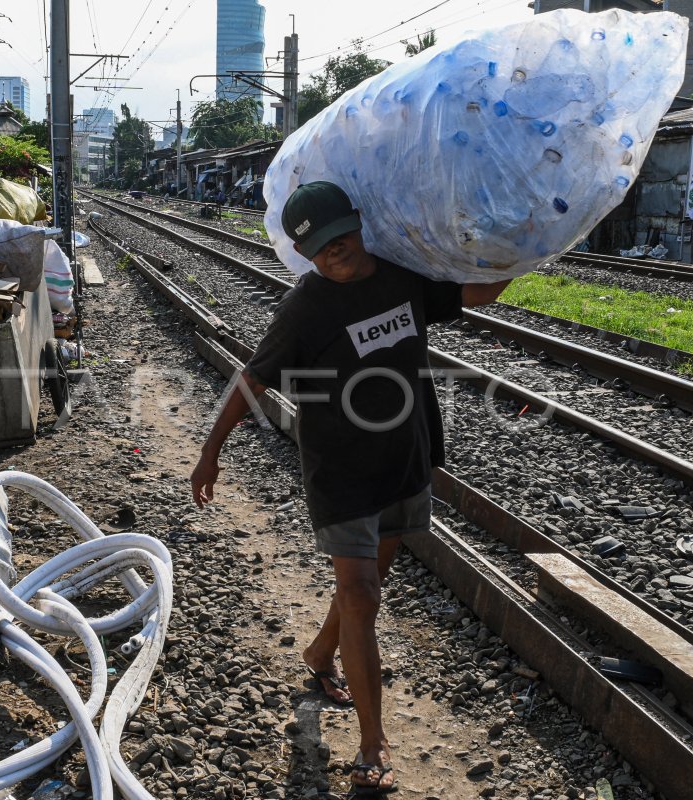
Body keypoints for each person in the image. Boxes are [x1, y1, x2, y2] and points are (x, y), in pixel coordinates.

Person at [190, 181, 510, 794]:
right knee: (362, 595)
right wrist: (211, 451)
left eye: (340, 237)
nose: (334, 253)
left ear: (358, 225)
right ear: (305, 254)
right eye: (319, 248)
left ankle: (318, 655)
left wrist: (530, 249)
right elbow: (253, 379)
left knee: (368, 585)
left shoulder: (400, 277)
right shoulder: (306, 307)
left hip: (404, 457)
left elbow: (478, 292)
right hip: (341, 470)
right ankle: (373, 743)